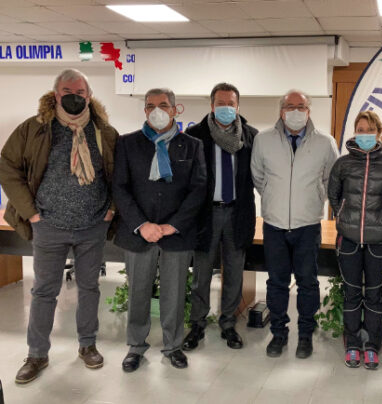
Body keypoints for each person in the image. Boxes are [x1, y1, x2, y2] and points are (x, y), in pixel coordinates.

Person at [0, 69, 118, 384]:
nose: (74, 97)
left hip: (92, 226)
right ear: (56, 94)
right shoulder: (34, 129)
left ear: (89, 96)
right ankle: (37, 354)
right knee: (44, 291)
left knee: (90, 288)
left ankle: (87, 345)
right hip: (48, 225)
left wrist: (111, 210)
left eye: (80, 92)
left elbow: (121, 174)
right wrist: (31, 213)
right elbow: (7, 166)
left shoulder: (104, 132)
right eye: (67, 91)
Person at [112, 88, 206, 372]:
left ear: (175, 110)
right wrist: (142, 225)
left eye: (163, 105)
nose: (157, 110)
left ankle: (173, 346)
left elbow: (198, 189)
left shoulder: (192, 145)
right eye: (150, 105)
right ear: (144, 110)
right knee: (138, 292)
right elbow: (120, 187)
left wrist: (173, 225)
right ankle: (136, 346)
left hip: (176, 234)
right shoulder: (127, 143)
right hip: (139, 233)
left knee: (174, 294)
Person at [251, 90, 338, 359]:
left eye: (301, 106)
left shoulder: (325, 142)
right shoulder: (263, 140)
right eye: (290, 106)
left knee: (307, 283)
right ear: (281, 111)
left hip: (307, 225)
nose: (296, 111)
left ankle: (305, 335)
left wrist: (314, 199)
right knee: (276, 283)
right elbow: (258, 176)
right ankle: (278, 333)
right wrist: (273, 197)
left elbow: (331, 179)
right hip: (274, 225)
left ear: (309, 111)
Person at [183, 83, 257, 351]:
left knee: (234, 272)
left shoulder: (250, 136)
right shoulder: (195, 135)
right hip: (206, 214)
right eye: (221, 103)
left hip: (238, 213)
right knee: (201, 273)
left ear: (238, 106)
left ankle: (228, 323)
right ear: (212, 105)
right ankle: (197, 324)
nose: (226, 108)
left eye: (231, 103)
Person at [328, 111, 382, 370]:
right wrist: (343, 215)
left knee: (373, 295)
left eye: (370, 130)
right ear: (355, 132)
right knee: (351, 294)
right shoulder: (343, 164)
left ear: (379, 132)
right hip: (348, 239)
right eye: (361, 129)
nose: (365, 134)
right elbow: (334, 195)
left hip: (378, 242)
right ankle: (352, 343)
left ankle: (371, 345)